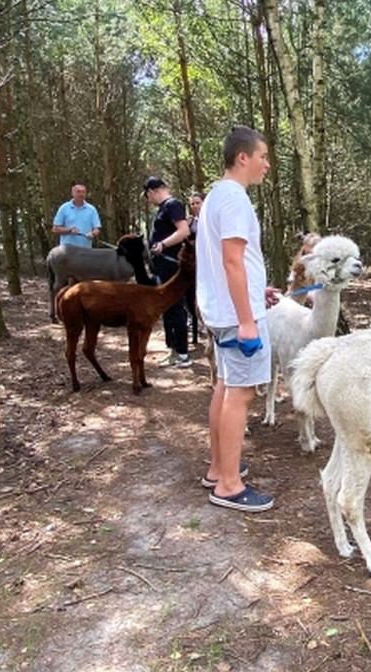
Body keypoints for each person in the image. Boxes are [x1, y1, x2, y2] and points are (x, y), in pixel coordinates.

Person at [196, 125, 281, 512]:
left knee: (224, 385)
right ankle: (229, 485)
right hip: (235, 316)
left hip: (224, 307)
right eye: (263, 156)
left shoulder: (217, 196)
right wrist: (247, 318)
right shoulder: (234, 199)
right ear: (242, 157)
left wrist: (254, 291)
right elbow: (231, 260)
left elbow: (231, 262)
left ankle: (218, 469)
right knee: (240, 393)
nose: (267, 164)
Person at [143, 176, 192, 368]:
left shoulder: (172, 205)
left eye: (148, 196)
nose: (149, 200)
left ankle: (182, 354)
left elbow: (183, 231)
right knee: (168, 308)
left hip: (171, 264)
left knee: (175, 307)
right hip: (162, 265)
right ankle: (174, 350)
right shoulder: (164, 208)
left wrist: (163, 244)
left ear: (152, 191)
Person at [52, 183, 100, 247]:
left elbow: (96, 229)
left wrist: (92, 234)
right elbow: (55, 229)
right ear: (72, 193)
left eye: (83, 192)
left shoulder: (92, 210)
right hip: (67, 250)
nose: (81, 194)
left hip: (85, 250)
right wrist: (69, 230)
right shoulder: (64, 208)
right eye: (78, 192)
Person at [186, 192, 205, 344]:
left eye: (197, 202)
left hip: (207, 263)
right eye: (192, 204)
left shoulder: (211, 220)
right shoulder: (190, 222)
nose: (194, 206)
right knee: (192, 295)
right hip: (193, 264)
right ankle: (194, 323)